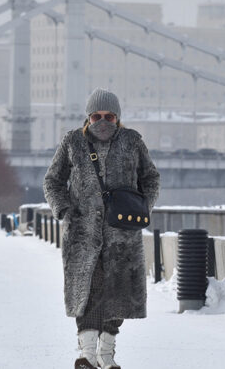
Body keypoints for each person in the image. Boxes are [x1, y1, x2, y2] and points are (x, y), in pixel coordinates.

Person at [44, 88, 160, 369]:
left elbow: (151, 178)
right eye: (96, 115)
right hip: (82, 234)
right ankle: (86, 355)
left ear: (118, 117)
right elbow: (52, 181)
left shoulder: (132, 141)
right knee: (88, 293)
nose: (102, 121)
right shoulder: (72, 141)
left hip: (122, 235)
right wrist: (64, 211)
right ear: (88, 117)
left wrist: (142, 208)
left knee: (117, 294)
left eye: (109, 116)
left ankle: (106, 355)